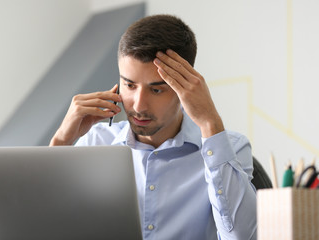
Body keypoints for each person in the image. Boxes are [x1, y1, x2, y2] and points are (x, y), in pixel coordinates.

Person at [50, 14, 257, 239]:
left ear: (186, 89)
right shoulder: (96, 142)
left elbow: (242, 235)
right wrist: (61, 142)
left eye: (156, 90)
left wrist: (210, 123)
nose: (138, 105)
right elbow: (46, 227)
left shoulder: (231, 148)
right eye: (129, 85)